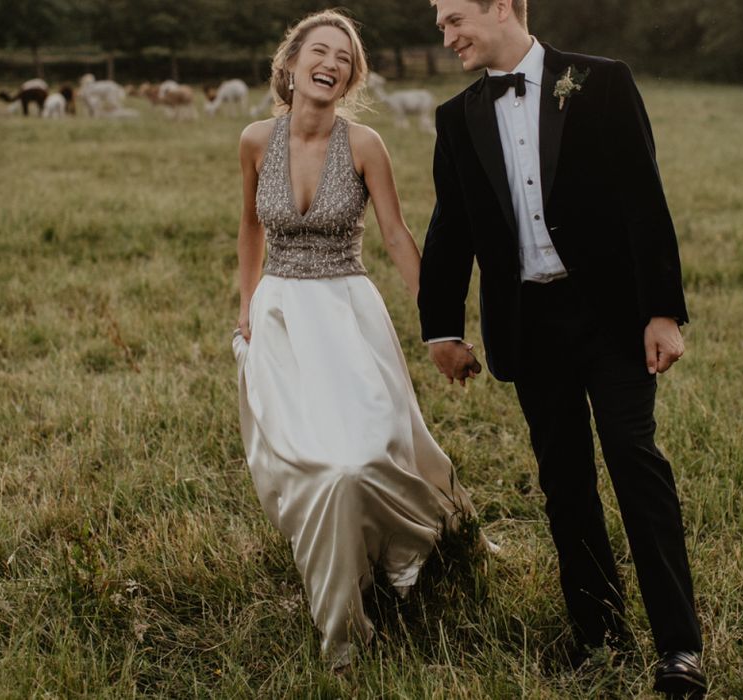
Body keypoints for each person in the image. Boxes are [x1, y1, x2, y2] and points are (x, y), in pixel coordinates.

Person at [418, 0, 707, 696]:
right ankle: (599, 635)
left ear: (500, 7)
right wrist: (442, 329)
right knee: (564, 483)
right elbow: (451, 228)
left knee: (635, 462)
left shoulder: (601, 81)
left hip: (611, 317)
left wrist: (662, 312)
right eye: (441, 25)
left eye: (456, 19)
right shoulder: (457, 117)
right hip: (528, 324)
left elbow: (645, 199)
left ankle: (679, 647)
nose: (447, 35)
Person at [232, 9, 479, 668]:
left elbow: (396, 235)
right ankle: (343, 629)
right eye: (321, 50)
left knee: (369, 453)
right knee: (318, 466)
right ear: (291, 64)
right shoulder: (256, 139)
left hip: (347, 313)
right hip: (281, 314)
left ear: (352, 75)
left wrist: (439, 326)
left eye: (345, 57)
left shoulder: (365, 145)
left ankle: (407, 550)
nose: (333, 62)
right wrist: (247, 305)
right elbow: (250, 228)